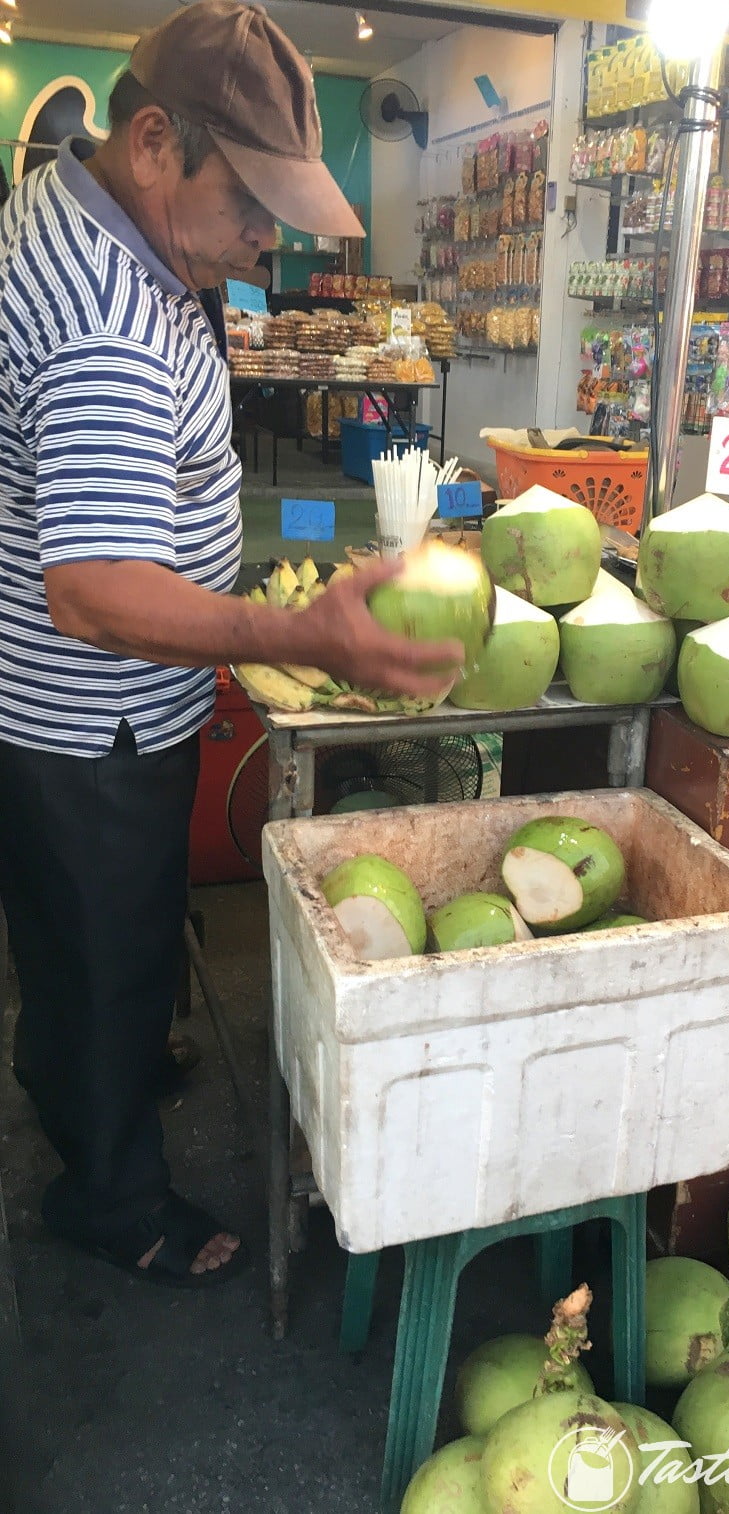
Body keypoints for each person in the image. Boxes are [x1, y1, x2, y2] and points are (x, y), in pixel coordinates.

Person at [0, 0, 462, 1288]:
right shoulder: (102, 311)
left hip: (93, 709)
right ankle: (111, 1196)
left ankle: (115, 1051)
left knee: (103, 932)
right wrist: (289, 628)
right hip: (87, 714)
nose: (264, 241)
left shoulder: (84, 214)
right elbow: (90, 593)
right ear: (156, 142)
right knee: (101, 942)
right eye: (251, 202)